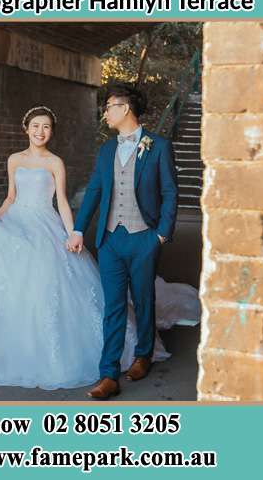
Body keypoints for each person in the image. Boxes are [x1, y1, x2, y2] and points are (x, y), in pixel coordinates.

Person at [0, 106, 168, 391]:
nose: (40, 131)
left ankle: (119, 352)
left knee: (50, 280)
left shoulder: (55, 162)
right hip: (17, 220)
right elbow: (11, 196)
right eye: (35, 126)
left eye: (46, 127)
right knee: (10, 279)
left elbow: (61, 200)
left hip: (45, 222)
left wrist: (73, 231)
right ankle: (11, 347)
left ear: (51, 132)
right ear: (26, 128)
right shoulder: (14, 159)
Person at [67, 83, 178, 400]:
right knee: (112, 307)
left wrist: (160, 234)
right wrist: (78, 229)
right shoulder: (105, 151)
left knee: (143, 299)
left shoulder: (157, 146)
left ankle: (144, 355)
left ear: (125, 108)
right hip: (110, 240)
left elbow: (170, 193)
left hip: (144, 236)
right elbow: (95, 192)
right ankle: (109, 374)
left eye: (110, 106)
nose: (106, 112)